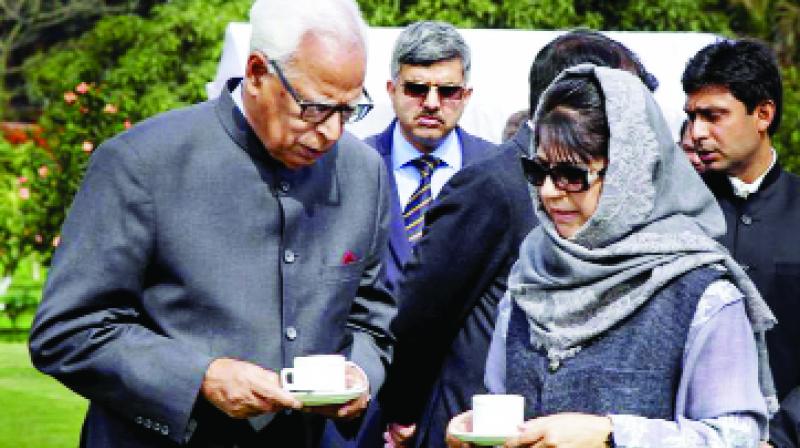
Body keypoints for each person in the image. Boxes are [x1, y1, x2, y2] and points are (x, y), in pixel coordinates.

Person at [28, 1, 396, 447]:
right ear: (258, 72)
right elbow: (69, 330)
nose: (333, 132)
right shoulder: (142, 163)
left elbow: (375, 318)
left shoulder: (363, 172)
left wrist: (359, 372)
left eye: (349, 110)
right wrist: (199, 377)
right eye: (315, 108)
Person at [446, 64, 776, 448]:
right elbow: (503, 399)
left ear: (627, 177)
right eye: (538, 171)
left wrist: (611, 435)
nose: (550, 192)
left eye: (572, 174)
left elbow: (738, 437)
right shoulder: (532, 273)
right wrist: (477, 432)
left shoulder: (701, 293)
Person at [381, 31, 659, 448]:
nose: (553, 191)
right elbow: (423, 310)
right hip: (482, 425)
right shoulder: (495, 183)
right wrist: (402, 409)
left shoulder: (619, 185)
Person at [682, 38, 800, 448]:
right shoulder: (673, 215)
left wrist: (783, 436)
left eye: (713, 115)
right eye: (692, 116)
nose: (697, 132)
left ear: (763, 114)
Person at [364, 20, 495, 291]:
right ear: (392, 90)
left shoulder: (496, 169)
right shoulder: (356, 166)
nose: (432, 104)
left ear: (466, 95)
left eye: (448, 91)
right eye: (417, 89)